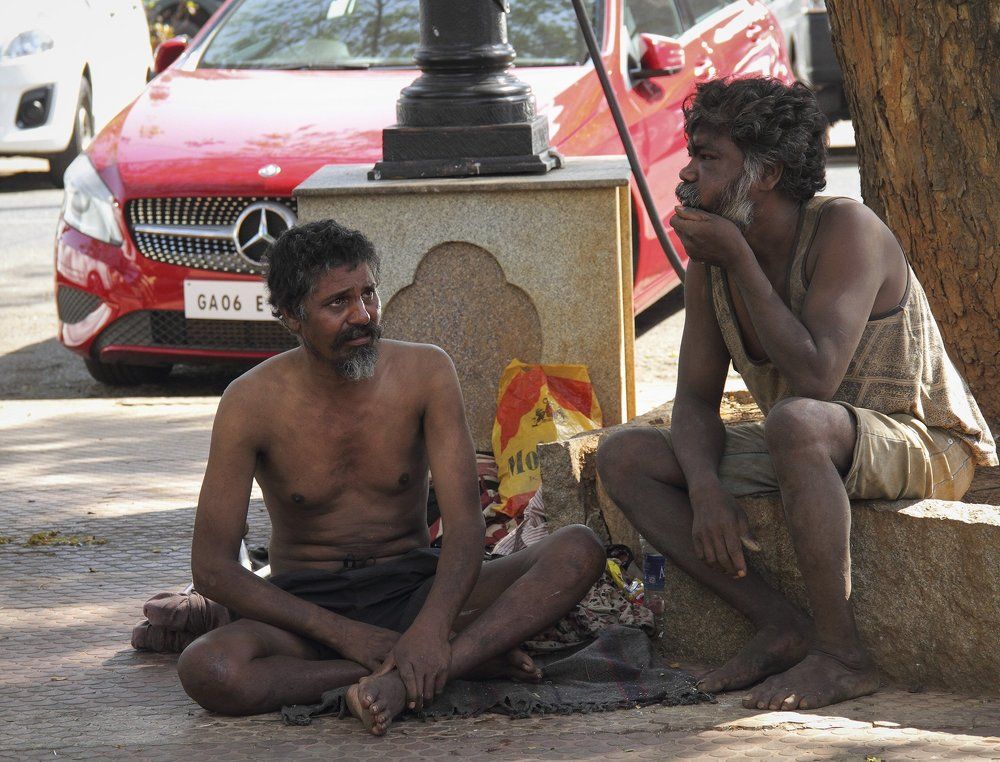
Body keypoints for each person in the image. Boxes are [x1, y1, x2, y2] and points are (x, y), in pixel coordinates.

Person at [596, 77, 997, 711]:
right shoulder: (711, 263)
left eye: (708, 157)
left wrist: (739, 260)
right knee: (624, 456)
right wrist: (704, 489)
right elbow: (695, 400)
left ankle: (844, 657)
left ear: (766, 173)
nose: (689, 173)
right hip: (812, 439)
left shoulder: (846, 230)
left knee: (796, 419)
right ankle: (782, 627)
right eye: (693, 154)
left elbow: (816, 377)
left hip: (925, 442)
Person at [177, 219, 606, 735]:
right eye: (338, 303)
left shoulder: (426, 372)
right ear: (291, 316)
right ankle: (449, 665)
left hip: (414, 588)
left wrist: (430, 627)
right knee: (209, 668)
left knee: (578, 548)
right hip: (308, 605)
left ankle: (411, 674)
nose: (362, 316)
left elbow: (465, 527)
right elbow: (212, 569)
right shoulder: (249, 402)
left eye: (368, 294)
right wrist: (346, 635)